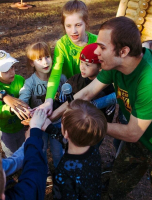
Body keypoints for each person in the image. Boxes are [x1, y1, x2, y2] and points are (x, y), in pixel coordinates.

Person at [49, 16, 152, 199]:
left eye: (102, 47)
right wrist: (52, 114)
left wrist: (86, 125)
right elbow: (87, 93)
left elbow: (133, 132)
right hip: (138, 142)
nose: (96, 52)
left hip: (141, 135)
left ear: (123, 51)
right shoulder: (114, 64)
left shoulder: (148, 81)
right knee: (117, 184)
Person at [42, 0, 98, 115]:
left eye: (78, 25)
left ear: (86, 23)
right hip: (72, 89)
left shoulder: (97, 42)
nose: (74, 31)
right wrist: (48, 100)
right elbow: (55, 73)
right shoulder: (62, 44)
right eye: (68, 26)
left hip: (94, 89)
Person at [43, 99, 106, 199]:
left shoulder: (64, 171)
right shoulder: (91, 147)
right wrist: (49, 128)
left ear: (66, 133)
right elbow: (68, 141)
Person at [19, 42, 67, 170]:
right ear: (31, 63)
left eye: (47, 57)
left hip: (57, 122)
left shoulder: (61, 78)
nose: (45, 62)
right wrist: (27, 111)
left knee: (58, 150)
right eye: (39, 59)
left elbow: (67, 98)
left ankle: (59, 171)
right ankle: (44, 172)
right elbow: (23, 99)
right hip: (39, 125)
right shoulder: (30, 82)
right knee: (42, 148)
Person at [0, 49, 26, 157]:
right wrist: (10, 109)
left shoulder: (20, 80)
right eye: (5, 70)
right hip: (6, 131)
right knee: (12, 154)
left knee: (24, 150)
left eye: (12, 66)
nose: (11, 72)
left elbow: (27, 96)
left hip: (22, 126)